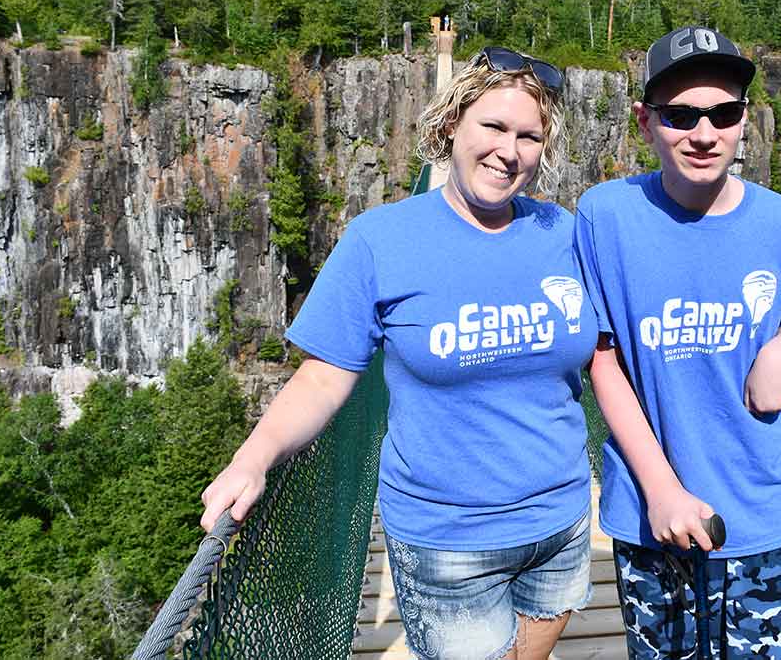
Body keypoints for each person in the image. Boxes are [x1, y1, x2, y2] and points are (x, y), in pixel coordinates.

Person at [200, 47, 599, 660]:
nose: (509, 150)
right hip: (447, 541)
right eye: (492, 126)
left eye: (529, 136)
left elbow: (613, 350)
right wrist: (254, 457)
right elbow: (324, 377)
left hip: (563, 521)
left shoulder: (565, 234)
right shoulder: (380, 241)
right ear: (450, 126)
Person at [575, 26, 781, 658]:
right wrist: (661, 489)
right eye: (680, 115)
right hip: (651, 515)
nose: (704, 133)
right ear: (645, 121)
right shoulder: (606, 216)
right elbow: (600, 357)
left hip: (763, 511)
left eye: (725, 112)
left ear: (745, 120)